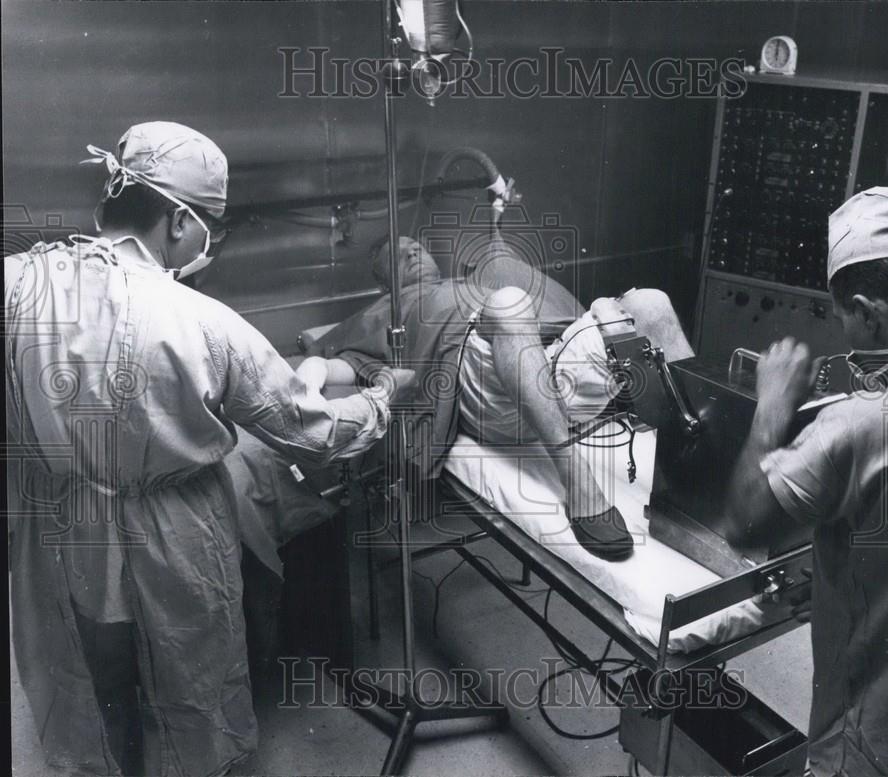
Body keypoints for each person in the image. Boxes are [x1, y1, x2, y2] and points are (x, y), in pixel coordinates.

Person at [5, 122, 396, 775]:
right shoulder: (200, 321)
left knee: (92, 674)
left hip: (59, 523)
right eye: (213, 226)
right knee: (186, 685)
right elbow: (315, 434)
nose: (210, 241)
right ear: (179, 220)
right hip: (172, 533)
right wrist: (383, 398)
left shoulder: (17, 282)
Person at [721, 187, 888, 776]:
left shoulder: (858, 425)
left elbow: (746, 522)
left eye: (841, 315)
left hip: (870, 750)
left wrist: (771, 406)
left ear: (869, 312)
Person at [303, 234, 694, 561]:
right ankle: (578, 483)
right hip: (485, 389)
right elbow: (341, 358)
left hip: (545, 360)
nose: (413, 252)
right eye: (400, 255)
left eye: (417, 246)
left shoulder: (464, 284)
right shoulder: (386, 310)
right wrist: (313, 370)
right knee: (509, 301)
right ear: (383, 281)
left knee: (651, 303)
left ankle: (696, 466)